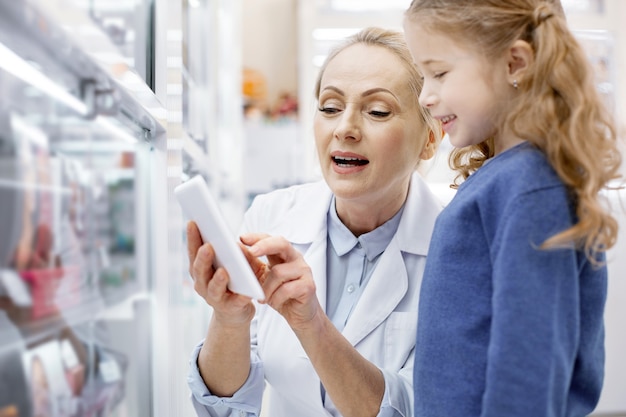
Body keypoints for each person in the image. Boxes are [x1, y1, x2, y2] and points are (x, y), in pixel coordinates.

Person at [186, 27, 443, 417]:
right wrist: (230, 319)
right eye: (329, 107)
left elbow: (420, 408)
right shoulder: (271, 218)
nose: (344, 129)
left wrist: (313, 326)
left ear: (431, 137)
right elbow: (226, 407)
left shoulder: (458, 240)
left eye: (376, 111)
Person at [402, 1, 623, 416]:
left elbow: (528, 373)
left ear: (515, 63)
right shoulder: (509, 178)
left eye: (440, 73)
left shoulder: (529, 188)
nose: (426, 96)